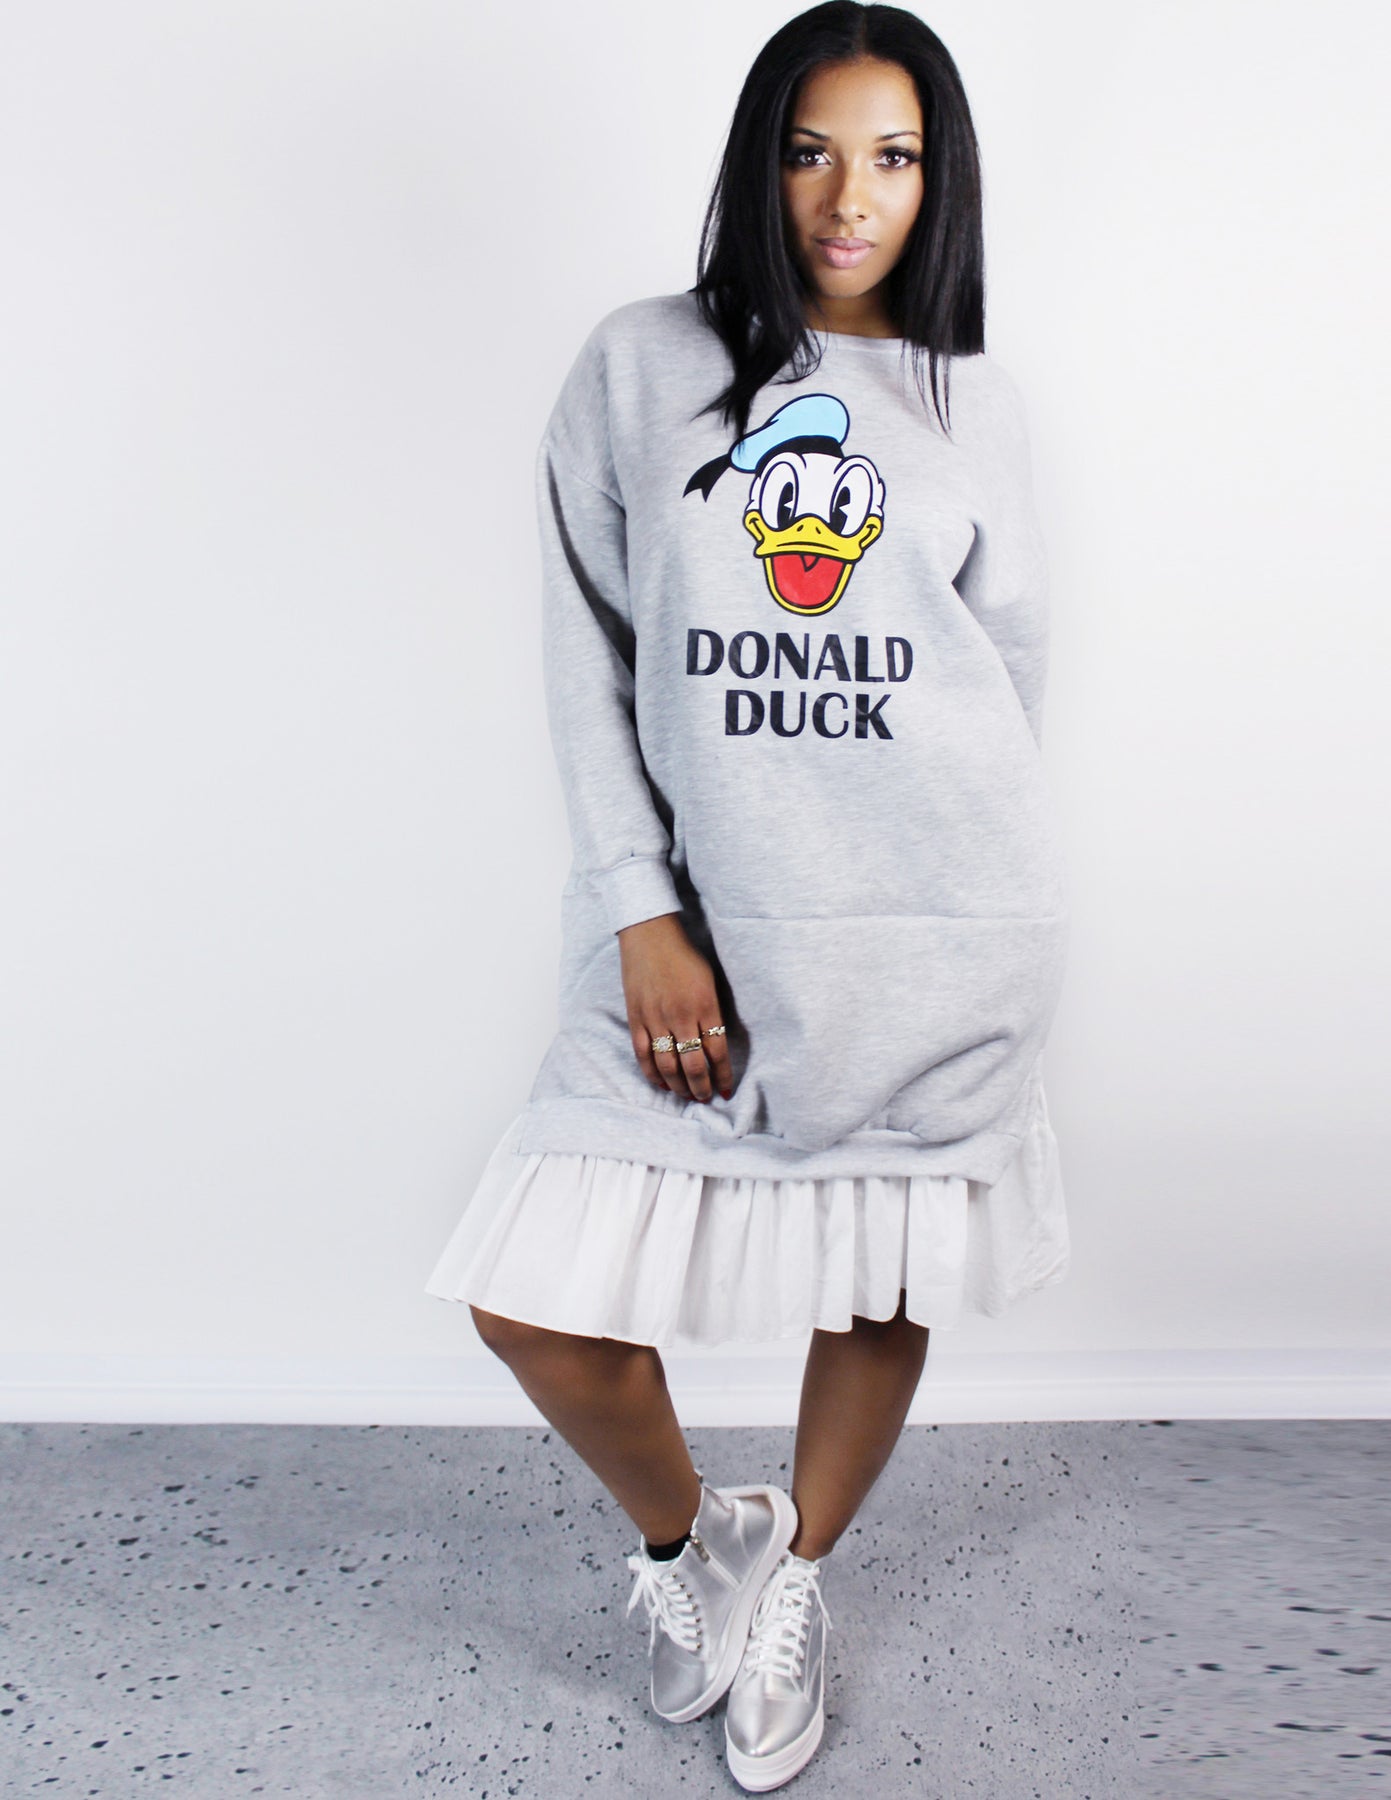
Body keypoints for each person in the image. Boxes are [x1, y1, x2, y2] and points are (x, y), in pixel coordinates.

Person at [424, 3, 1070, 1789]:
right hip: (695, 931)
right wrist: (644, 907)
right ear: (756, 164)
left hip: (939, 926)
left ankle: (796, 1581)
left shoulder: (976, 407)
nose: (849, 199)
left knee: (876, 1280)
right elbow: (587, 651)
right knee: (533, 1306)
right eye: (810, 152)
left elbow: (1004, 693)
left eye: (893, 156)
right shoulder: (641, 367)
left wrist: (949, 917)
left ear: (939, 181)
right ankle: (695, 1543)